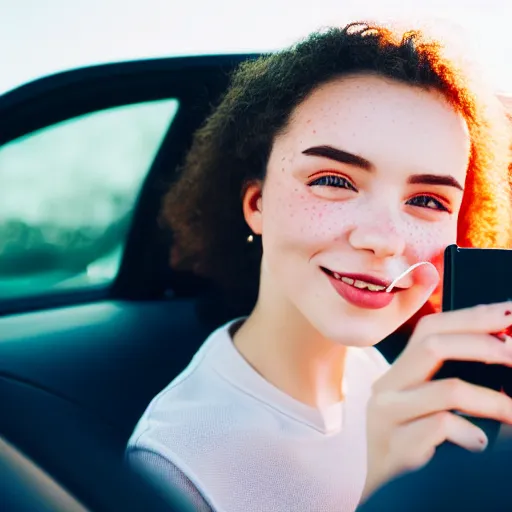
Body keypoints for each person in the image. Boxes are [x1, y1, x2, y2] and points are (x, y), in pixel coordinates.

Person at [126, 22, 512, 512]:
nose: (381, 239)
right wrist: (389, 498)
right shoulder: (174, 465)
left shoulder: (412, 383)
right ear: (257, 203)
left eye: (427, 200)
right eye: (334, 180)